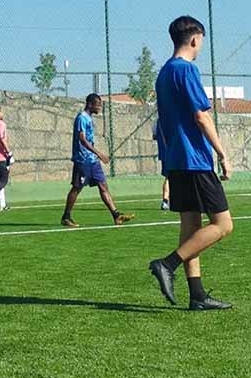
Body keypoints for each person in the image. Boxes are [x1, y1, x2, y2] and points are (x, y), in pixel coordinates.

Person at [148, 16, 234, 311]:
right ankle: (167, 264)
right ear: (195, 38)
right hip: (194, 159)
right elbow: (201, 116)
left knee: (191, 226)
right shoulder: (187, 70)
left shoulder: (163, 73)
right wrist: (222, 153)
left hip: (175, 159)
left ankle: (196, 295)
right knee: (223, 225)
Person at [60, 93, 134, 228]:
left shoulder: (89, 118)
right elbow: (82, 139)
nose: (99, 108)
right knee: (77, 188)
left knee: (103, 186)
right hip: (82, 160)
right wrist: (99, 153)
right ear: (90, 104)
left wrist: (95, 155)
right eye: (97, 105)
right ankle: (66, 216)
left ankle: (116, 215)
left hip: (92, 160)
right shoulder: (82, 118)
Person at [153, 120, 170, 211]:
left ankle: (165, 201)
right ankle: (165, 201)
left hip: (164, 153)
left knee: (168, 177)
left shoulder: (158, 122)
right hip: (172, 151)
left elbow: (154, 135)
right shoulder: (171, 118)